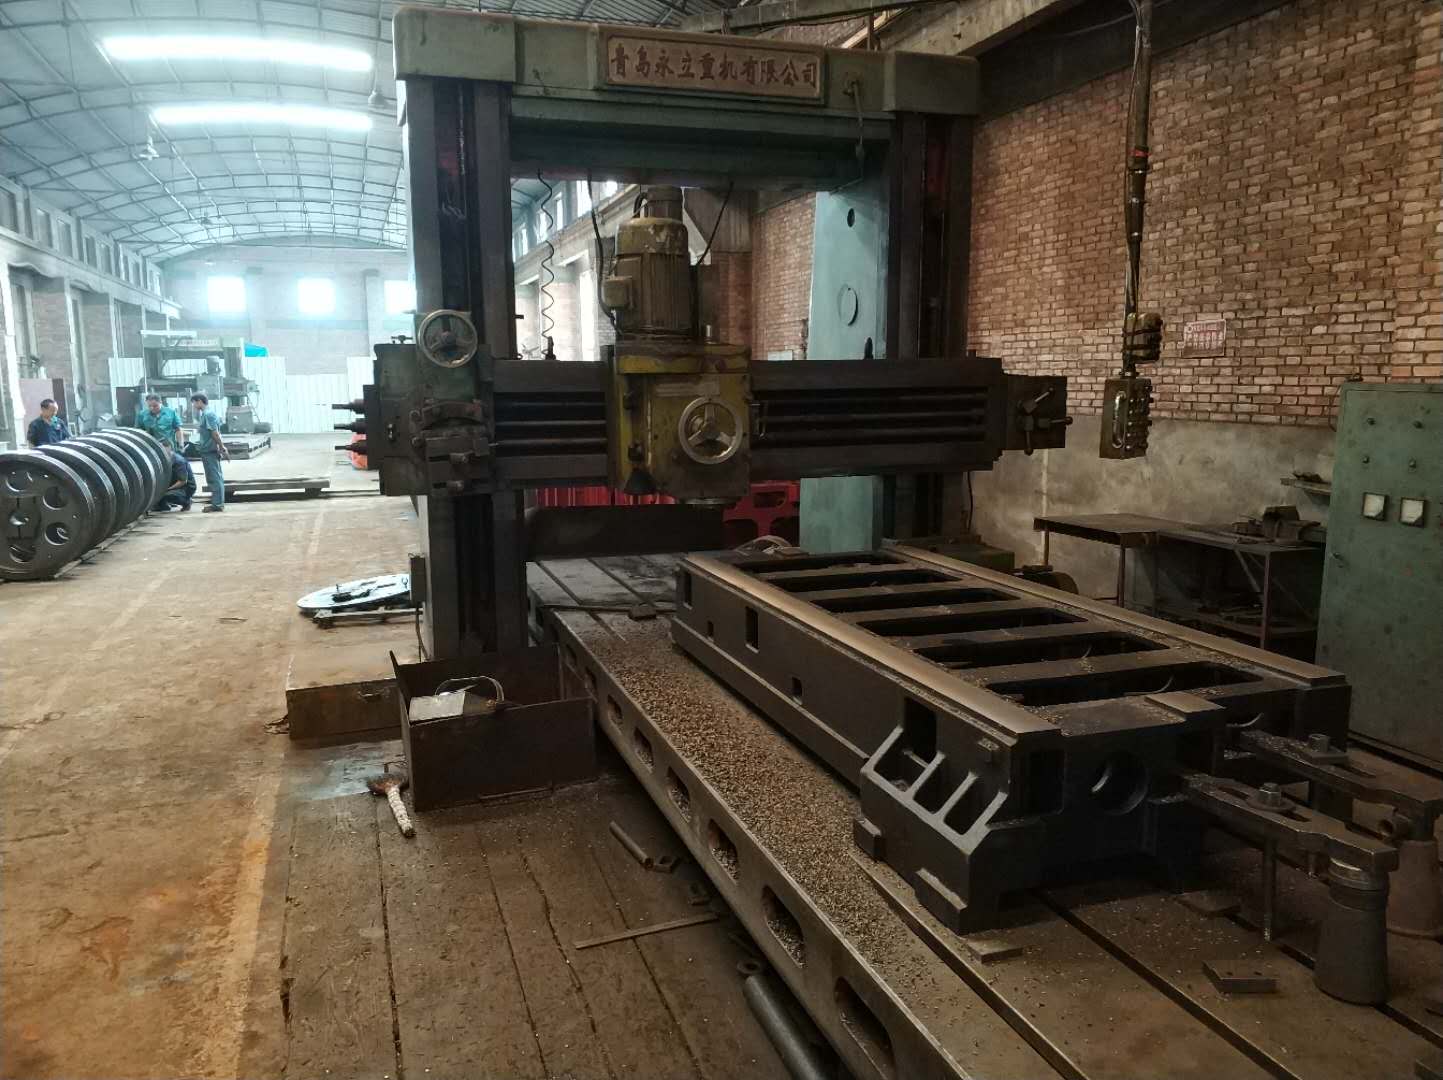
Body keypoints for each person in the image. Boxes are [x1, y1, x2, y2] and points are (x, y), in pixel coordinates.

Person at [189, 393, 230, 513]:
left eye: (194, 403)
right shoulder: (206, 414)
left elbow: (215, 433)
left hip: (210, 450)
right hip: (207, 450)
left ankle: (217, 504)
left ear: (199, 401)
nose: (193, 406)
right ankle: (217, 503)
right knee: (215, 477)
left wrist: (222, 447)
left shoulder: (208, 415)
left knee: (214, 478)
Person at [154, 448, 197, 512]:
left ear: (169, 448)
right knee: (158, 494)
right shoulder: (165, 459)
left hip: (186, 488)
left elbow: (182, 481)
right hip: (175, 484)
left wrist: (168, 489)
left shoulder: (179, 461)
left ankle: (186, 501)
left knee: (164, 495)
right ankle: (163, 506)